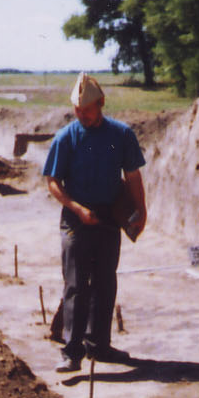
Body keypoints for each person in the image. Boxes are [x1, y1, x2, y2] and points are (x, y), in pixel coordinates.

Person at [42, 72, 147, 373]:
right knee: (76, 283)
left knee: (105, 281)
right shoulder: (66, 138)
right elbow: (52, 181)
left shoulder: (121, 135)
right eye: (77, 110)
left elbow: (133, 175)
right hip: (75, 219)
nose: (82, 116)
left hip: (108, 216)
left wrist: (141, 210)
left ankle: (100, 345)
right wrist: (76, 209)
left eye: (86, 110)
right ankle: (71, 351)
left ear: (100, 103)